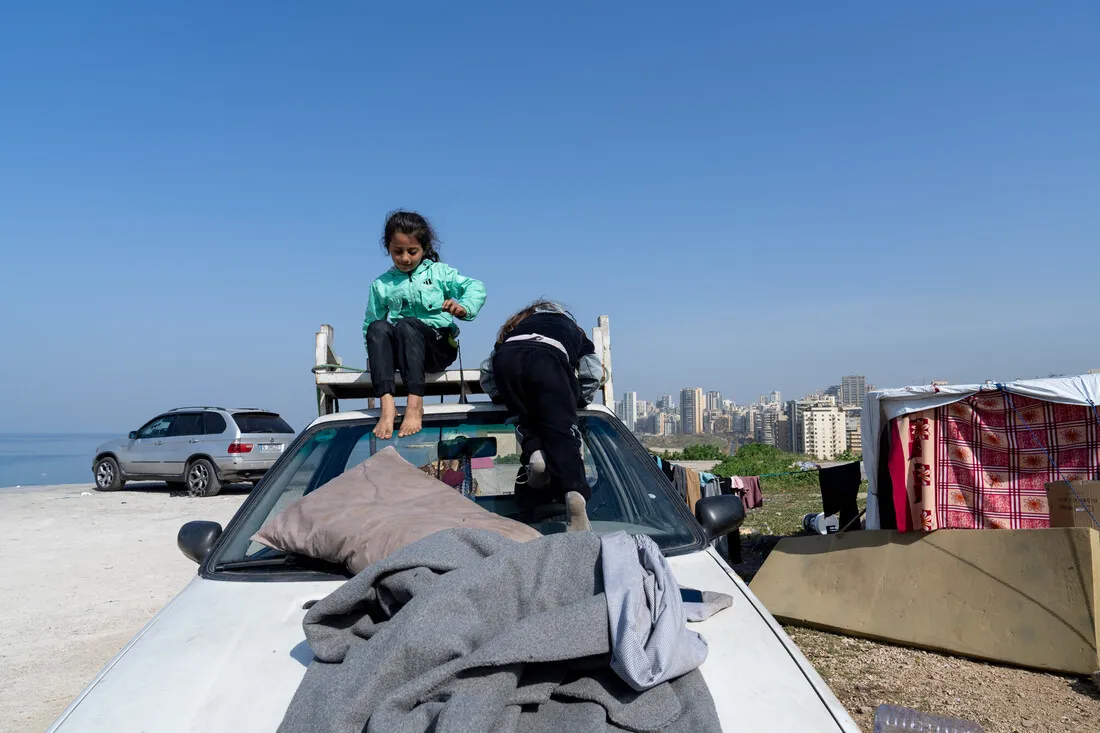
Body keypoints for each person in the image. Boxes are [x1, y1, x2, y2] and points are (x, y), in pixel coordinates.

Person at [480, 301, 604, 528]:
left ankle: (536, 455)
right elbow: (593, 373)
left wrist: (502, 397)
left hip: (507, 358)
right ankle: (574, 493)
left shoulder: (516, 331)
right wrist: (579, 400)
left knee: (524, 418)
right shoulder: (573, 330)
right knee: (561, 431)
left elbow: (488, 371)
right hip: (548, 360)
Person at [364, 211, 486, 439]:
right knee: (377, 327)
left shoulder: (439, 273)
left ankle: (414, 403)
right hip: (404, 353)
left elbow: (475, 287)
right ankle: (387, 405)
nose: (405, 259)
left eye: (412, 251)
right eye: (397, 252)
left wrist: (464, 308)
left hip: (437, 348)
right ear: (388, 248)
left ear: (424, 247)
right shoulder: (381, 284)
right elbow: (371, 325)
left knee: (407, 325)